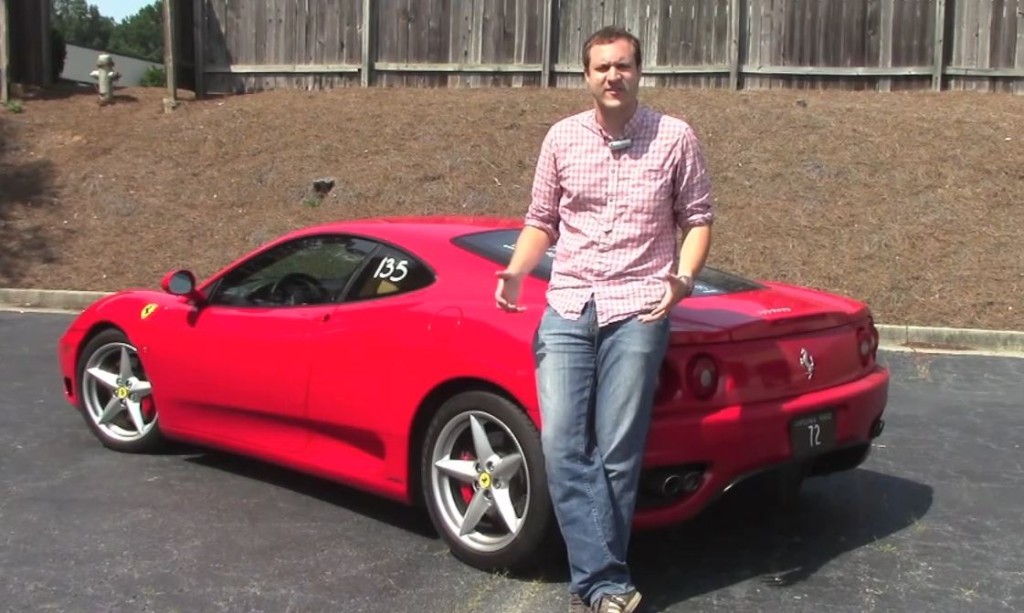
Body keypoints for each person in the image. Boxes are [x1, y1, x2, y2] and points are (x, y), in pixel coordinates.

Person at [494, 25, 715, 613]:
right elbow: (541, 218)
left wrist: (683, 280)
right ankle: (606, 578)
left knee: (618, 451)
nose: (613, 76)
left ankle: (598, 587)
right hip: (568, 302)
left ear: (639, 71)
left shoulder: (675, 138)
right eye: (601, 68)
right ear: (586, 76)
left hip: (640, 305)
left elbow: (697, 218)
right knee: (564, 444)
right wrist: (518, 270)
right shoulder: (562, 139)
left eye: (623, 65)